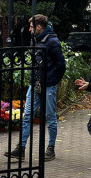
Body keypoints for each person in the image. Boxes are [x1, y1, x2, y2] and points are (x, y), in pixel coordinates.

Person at [7, 15, 65, 161]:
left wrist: (52, 80)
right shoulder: (36, 40)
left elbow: (61, 65)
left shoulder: (52, 42)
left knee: (50, 117)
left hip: (48, 85)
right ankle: (21, 148)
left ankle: (50, 148)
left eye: (32, 26)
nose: (29, 29)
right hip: (34, 84)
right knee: (27, 116)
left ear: (39, 27)